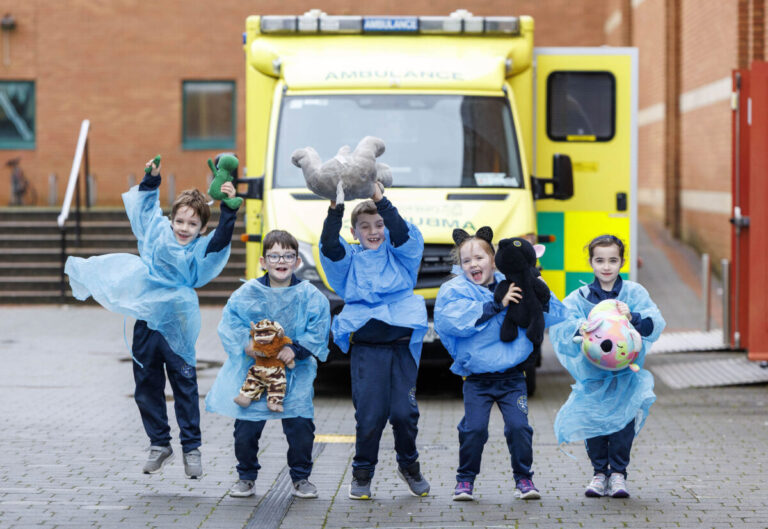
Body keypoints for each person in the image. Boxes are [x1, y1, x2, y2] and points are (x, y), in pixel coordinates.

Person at [65, 155, 240, 478]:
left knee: (184, 382)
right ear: (171, 219)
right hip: (147, 318)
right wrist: (152, 180)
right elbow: (145, 212)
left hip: (178, 321)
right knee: (146, 383)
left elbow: (218, 245)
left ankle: (191, 447)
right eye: (180, 221)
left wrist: (228, 211)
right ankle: (160, 443)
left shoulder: (198, 250)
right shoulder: (157, 234)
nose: (184, 229)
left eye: (192, 224)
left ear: (201, 228)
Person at [434, 227, 566, 502]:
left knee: (519, 428)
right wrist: (497, 304)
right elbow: (453, 321)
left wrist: (533, 280)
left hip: (512, 377)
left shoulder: (517, 282)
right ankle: (465, 480)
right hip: (477, 380)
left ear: (494, 259)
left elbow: (548, 306)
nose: (473, 265)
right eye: (466, 260)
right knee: (475, 429)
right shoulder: (455, 291)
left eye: (479, 258)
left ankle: (524, 478)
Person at [319, 183, 429, 500]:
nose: (373, 231)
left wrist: (381, 202)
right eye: (364, 227)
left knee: (404, 414)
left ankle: (409, 466)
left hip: (402, 347)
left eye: (378, 225)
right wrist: (335, 210)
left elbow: (402, 232)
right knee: (370, 415)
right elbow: (329, 245)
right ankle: (362, 473)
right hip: (368, 350)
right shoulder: (349, 261)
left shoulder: (402, 255)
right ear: (354, 232)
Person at [205, 230, 331, 499]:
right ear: (263, 261)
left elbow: (318, 329)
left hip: (295, 375)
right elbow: (232, 322)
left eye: (288, 255)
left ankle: (301, 477)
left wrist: (295, 349)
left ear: (297, 261)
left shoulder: (310, 295)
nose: (281, 260)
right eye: (274, 255)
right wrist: (245, 344)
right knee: (246, 427)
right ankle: (246, 476)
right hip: (256, 373)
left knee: (300, 428)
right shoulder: (248, 293)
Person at [550, 234, 665, 498]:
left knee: (623, 424)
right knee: (595, 422)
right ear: (591, 262)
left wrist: (632, 316)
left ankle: (618, 475)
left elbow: (653, 326)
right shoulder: (579, 297)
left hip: (626, 376)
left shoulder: (634, 294)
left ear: (622, 262)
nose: (606, 266)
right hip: (593, 376)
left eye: (613, 260)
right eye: (600, 260)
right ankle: (599, 473)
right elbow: (563, 329)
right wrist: (580, 327)